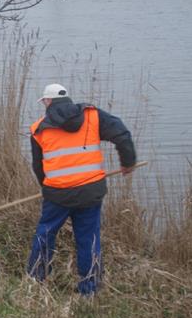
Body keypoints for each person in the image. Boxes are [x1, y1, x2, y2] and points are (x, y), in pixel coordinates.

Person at [27, 83, 137, 297]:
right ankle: (90, 289)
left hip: (58, 195)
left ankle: (36, 279)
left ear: (47, 102)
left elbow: (38, 167)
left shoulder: (38, 129)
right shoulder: (93, 116)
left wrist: (46, 188)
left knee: (45, 233)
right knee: (88, 239)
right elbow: (121, 133)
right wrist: (128, 161)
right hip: (90, 192)